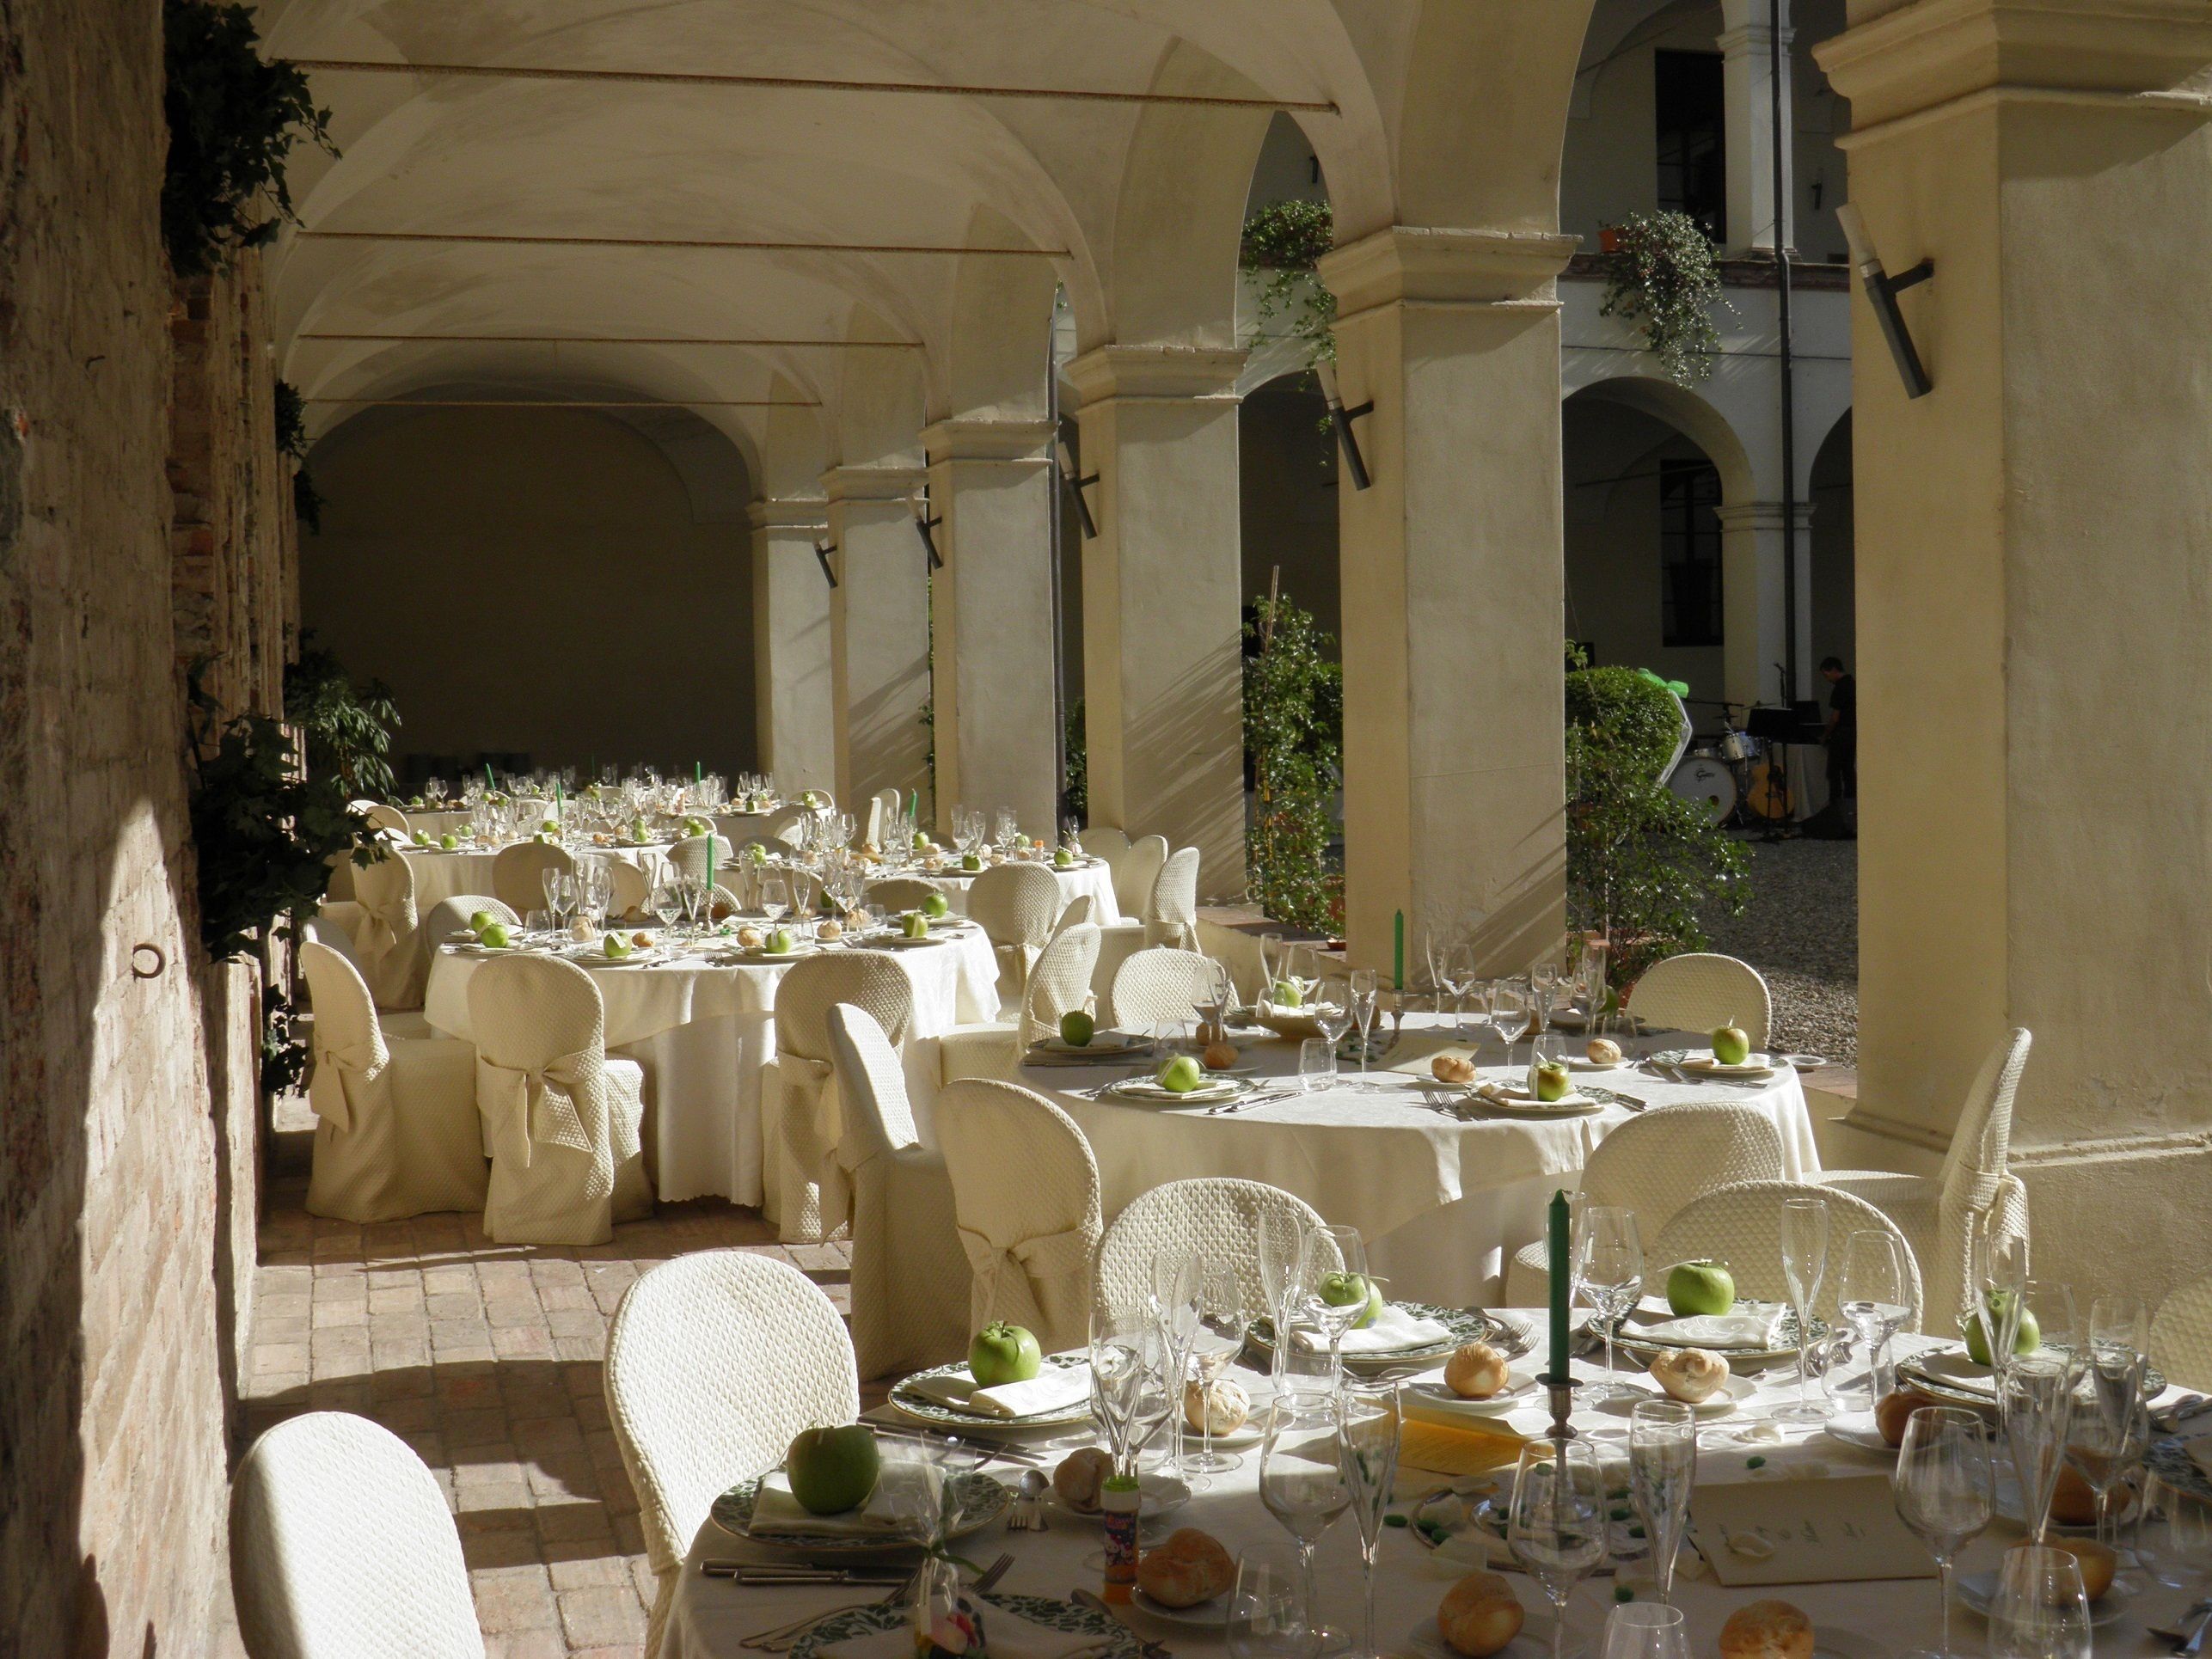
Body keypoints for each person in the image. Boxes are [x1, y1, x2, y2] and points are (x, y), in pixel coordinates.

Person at [1820, 655, 1856, 815]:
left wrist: (1825, 735)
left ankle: (1834, 808)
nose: (1827, 679)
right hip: (1853, 732)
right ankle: (1851, 807)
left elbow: (1835, 717)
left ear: (1834, 670)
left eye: (1826, 675)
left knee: (1834, 772)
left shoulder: (1840, 688)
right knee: (1848, 770)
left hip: (1841, 734)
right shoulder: (1853, 684)